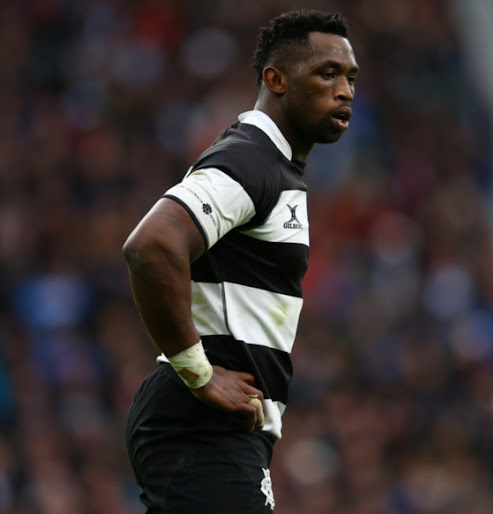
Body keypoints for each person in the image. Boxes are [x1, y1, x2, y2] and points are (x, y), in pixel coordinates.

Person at [122, 9, 358, 513]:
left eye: (350, 77)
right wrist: (200, 373)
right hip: (203, 426)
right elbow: (152, 245)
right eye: (327, 73)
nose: (345, 91)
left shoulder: (275, 167)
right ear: (275, 79)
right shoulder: (251, 158)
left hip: (219, 430)